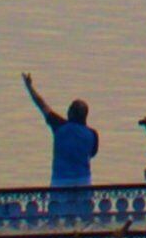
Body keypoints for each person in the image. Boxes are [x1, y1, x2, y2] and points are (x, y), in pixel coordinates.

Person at [23, 73, 99, 205]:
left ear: (70, 113)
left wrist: (29, 87)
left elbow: (41, 105)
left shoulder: (59, 126)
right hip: (83, 182)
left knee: (58, 217)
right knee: (83, 217)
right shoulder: (92, 134)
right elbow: (92, 154)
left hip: (60, 181)